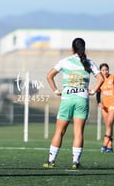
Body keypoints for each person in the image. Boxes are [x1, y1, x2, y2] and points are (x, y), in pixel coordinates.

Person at [44, 37, 104, 169]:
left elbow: (49, 76)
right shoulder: (89, 63)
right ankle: (75, 162)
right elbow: (101, 78)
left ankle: (51, 161)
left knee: (59, 131)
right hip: (82, 99)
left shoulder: (65, 61)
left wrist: (55, 90)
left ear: (72, 49)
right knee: (78, 132)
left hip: (67, 99)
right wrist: (93, 91)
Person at [96, 63, 114, 153]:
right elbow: (98, 93)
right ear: (100, 71)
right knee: (108, 126)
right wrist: (99, 102)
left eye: (106, 70)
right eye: (103, 70)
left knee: (109, 123)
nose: (105, 72)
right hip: (105, 105)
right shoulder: (100, 80)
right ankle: (110, 147)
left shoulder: (113, 78)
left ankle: (104, 144)